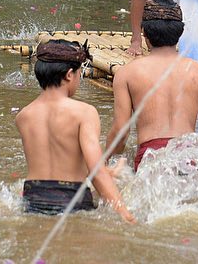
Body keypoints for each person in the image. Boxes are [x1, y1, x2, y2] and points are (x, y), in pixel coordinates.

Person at [16, 39, 135, 222]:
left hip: (33, 197)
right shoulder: (84, 113)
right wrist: (126, 215)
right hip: (71, 198)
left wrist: (108, 171)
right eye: (80, 73)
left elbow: (57, 162)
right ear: (70, 74)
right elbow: (95, 172)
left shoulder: (24, 116)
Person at [105, 0, 198, 170]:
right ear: (180, 32)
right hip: (190, 158)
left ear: (144, 33)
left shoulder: (127, 73)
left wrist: (106, 163)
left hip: (151, 159)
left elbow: (121, 133)